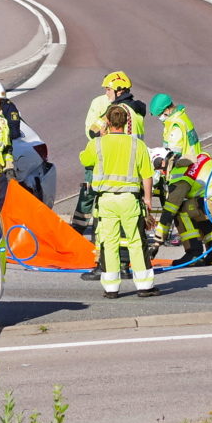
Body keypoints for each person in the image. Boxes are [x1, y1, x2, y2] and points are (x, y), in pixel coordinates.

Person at [80, 103, 158, 298]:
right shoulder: (137, 145)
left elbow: (84, 160)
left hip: (106, 200)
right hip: (130, 199)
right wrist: (148, 200)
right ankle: (144, 286)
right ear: (126, 122)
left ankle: (111, 288)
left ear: (107, 121)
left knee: (109, 242)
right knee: (136, 241)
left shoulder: (97, 144)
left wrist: (100, 134)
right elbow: (147, 175)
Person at [77, 71, 147, 279]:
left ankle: (105, 266)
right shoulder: (136, 113)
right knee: (129, 231)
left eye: (108, 89)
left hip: (111, 175)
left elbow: (93, 131)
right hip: (131, 176)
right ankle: (125, 266)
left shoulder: (116, 110)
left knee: (104, 227)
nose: (107, 93)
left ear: (119, 90)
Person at [150, 151, 212, 266]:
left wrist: (157, 242)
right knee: (197, 209)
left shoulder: (179, 173)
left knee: (181, 210)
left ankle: (193, 253)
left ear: (164, 161)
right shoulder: (200, 157)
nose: (160, 172)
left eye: (158, 166)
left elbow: (170, 209)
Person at [149, 92, 205, 162]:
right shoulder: (181, 117)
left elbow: (173, 155)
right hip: (195, 161)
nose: (159, 117)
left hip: (185, 165)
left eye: (159, 115)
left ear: (167, 110)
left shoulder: (175, 126)